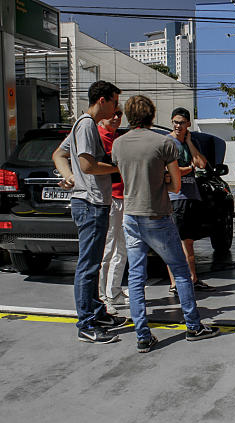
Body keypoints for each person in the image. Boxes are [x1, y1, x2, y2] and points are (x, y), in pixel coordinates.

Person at [111, 95, 220, 353]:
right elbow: (176, 183)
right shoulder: (163, 143)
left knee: (136, 278)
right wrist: (163, 184)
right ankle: (193, 326)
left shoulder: (118, 144)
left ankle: (143, 336)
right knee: (181, 271)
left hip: (131, 215)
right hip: (158, 213)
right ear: (152, 115)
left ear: (128, 115)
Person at [52, 80, 127, 344]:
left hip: (91, 201)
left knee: (93, 264)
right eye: (115, 102)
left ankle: (97, 313)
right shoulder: (85, 125)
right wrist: (119, 168)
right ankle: (86, 323)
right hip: (91, 203)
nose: (117, 109)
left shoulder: (83, 125)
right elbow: (88, 165)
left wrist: (68, 176)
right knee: (88, 266)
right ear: (102, 100)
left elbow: (58, 155)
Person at [166, 107, 215, 293]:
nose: (178, 126)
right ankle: (174, 283)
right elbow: (171, 172)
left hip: (191, 195)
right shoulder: (167, 142)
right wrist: (188, 168)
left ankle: (193, 279)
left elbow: (202, 164)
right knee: (175, 242)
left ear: (188, 124)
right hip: (175, 197)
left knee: (189, 241)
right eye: (176, 122)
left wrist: (189, 142)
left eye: (182, 123)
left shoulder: (189, 142)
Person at [97, 106, 129, 315]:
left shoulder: (118, 138)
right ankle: (101, 297)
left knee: (123, 248)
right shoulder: (96, 136)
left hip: (124, 198)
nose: (117, 117)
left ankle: (114, 291)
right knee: (106, 250)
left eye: (120, 114)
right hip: (107, 199)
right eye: (113, 113)